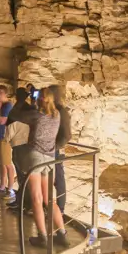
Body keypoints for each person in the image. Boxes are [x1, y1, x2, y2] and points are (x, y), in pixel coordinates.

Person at [21, 87, 69, 248]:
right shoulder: (57, 115)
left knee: (36, 198)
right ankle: (62, 233)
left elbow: (16, 115)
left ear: (41, 99)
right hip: (49, 158)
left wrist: (29, 101)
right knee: (50, 199)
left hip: (35, 156)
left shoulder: (36, 115)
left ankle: (43, 237)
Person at [4, 87, 35, 210]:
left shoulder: (15, 112)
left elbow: (8, 132)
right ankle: (28, 202)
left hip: (18, 147)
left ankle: (21, 202)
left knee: (22, 177)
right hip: (30, 146)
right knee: (28, 176)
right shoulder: (31, 109)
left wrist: (6, 139)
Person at [49, 84, 72, 214]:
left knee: (58, 180)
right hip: (50, 150)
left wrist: (55, 147)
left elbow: (67, 135)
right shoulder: (53, 110)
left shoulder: (61, 112)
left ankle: (60, 209)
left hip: (55, 151)